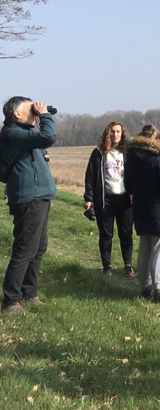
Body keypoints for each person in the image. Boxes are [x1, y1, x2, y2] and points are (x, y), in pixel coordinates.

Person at [0, 96, 57, 313]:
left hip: (39, 196)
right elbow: (49, 136)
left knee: (38, 248)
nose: (34, 112)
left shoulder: (21, 134)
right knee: (25, 249)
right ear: (16, 113)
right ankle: (11, 300)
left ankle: (29, 292)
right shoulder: (11, 132)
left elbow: (40, 143)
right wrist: (44, 115)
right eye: (30, 109)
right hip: (28, 197)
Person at [124, 126, 160, 302]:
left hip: (141, 210)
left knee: (145, 249)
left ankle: (145, 286)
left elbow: (128, 186)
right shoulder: (159, 160)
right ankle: (159, 288)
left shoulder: (131, 160)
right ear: (157, 141)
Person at [83, 122, 135, 277]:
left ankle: (128, 265)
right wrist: (89, 198)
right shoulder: (98, 153)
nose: (115, 134)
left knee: (126, 233)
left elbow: (135, 174)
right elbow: (90, 177)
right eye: (112, 131)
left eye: (118, 131)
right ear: (107, 133)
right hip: (106, 199)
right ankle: (106, 267)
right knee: (106, 235)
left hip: (125, 199)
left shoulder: (128, 152)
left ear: (122, 133)